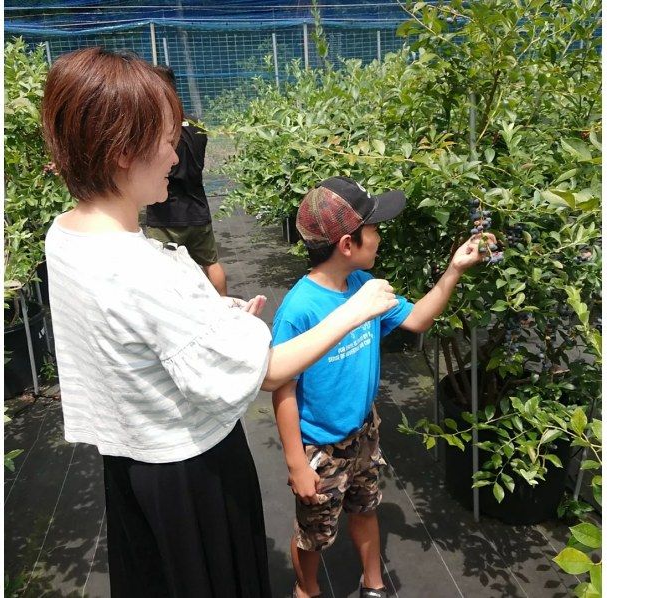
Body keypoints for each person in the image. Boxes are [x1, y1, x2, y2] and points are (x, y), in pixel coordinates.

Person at [41, 49, 400, 598]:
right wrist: (358, 309)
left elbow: (130, 332)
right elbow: (270, 370)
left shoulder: (64, 235)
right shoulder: (147, 269)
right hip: (190, 475)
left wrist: (207, 317)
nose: (176, 155)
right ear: (120, 152)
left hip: (131, 460)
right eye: (166, 139)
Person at [271, 176, 496, 598]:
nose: (379, 236)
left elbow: (416, 320)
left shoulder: (362, 287)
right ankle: (307, 591)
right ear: (346, 245)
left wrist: (454, 270)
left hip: (363, 431)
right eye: (372, 228)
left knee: (366, 506)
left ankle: (373, 583)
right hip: (321, 447)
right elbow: (281, 387)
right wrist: (297, 464)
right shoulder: (299, 310)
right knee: (313, 535)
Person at [145, 65, 227, 296]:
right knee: (211, 263)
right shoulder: (197, 125)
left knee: (164, 271)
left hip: (166, 214)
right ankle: (226, 306)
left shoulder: (158, 129)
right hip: (197, 208)